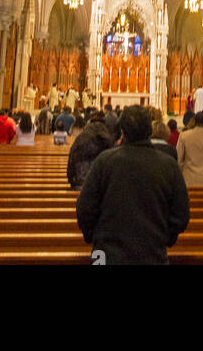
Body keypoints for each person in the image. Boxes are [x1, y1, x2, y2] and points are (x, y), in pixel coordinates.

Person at [76, 105, 190, 265]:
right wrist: (164, 239)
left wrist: (96, 238)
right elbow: (181, 214)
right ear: (150, 130)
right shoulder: (168, 165)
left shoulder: (105, 161)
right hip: (152, 255)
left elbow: (85, 208)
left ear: (122, 131)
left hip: (107, 255)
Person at [67, 116, 118, 189]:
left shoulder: (81, 139)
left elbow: (71, 161)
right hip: (104, 186)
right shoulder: (109, 139)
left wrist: (71, 180)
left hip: (81, 183)